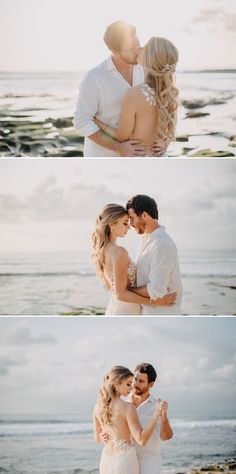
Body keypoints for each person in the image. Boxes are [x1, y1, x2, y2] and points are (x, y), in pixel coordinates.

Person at [73, 21, 167, 157]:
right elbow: (81, 121)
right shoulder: (94, 77)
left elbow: (166, 105)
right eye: (130, 49)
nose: (138, 51)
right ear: (114, 51)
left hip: (145, 160)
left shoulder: (148, 68)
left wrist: (166, 141)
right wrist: (118, 148)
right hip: (106, 158)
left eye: (138, 44)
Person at [94, 36, 179, 156]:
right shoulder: (169, 95)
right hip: (159, 159)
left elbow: (122, 137)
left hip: (139, 161)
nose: (139, 48)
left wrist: (97, 122)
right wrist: (166, 144)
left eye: (144, 48)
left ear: (148, 59)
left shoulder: (132, 95)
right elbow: (171, 127)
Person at [92, 203, 177, 315]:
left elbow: (113, 289)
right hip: (126, 310)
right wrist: (156, 302)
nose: (129, 227)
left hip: (116, 307)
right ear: (112, 224)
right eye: (125, 223)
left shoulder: (103, 251)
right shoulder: (120, 252)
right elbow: (121, 294)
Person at [93, 365, 162, 474]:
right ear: (117, 384)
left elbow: (97, 439)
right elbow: (141, 440)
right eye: (128, 384)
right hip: (124, 462)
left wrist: (103, 434)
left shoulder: (97, 407)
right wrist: (156, 416)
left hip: (106, 460)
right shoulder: (128, 407)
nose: (131, 387)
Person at [126, 195, 182, 315]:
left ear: (144, 215)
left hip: (161, 316)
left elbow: (157, 290)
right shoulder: (147, 238)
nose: (130, 224)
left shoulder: (162, 244)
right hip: (148, 313)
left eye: (132, 218)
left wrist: (127, 290)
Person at [131, 363, 173, 474]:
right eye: (135, 379)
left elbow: (166, 437)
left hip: (148, 463)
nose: (135, 384)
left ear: (151, 384)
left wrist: (164, 416)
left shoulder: (157, 406)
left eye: (141, 382)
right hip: (127, 460)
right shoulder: (123, 401)